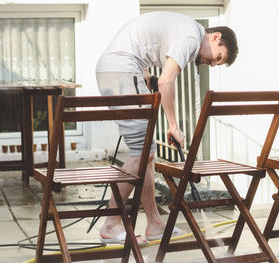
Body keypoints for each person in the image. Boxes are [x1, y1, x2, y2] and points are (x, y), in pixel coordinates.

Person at [95, 11, 238, 244]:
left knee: (146, 154)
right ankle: (111, 224)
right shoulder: (192, 36)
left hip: (122, 69)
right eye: (217, 58)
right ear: (215, 37)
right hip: (121, 70)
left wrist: (144, 75)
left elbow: (144, 45)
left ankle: (155, 224)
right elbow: (166, 81)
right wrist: (173, 126)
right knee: (143, 152)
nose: (212, 64)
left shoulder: (185, 29)